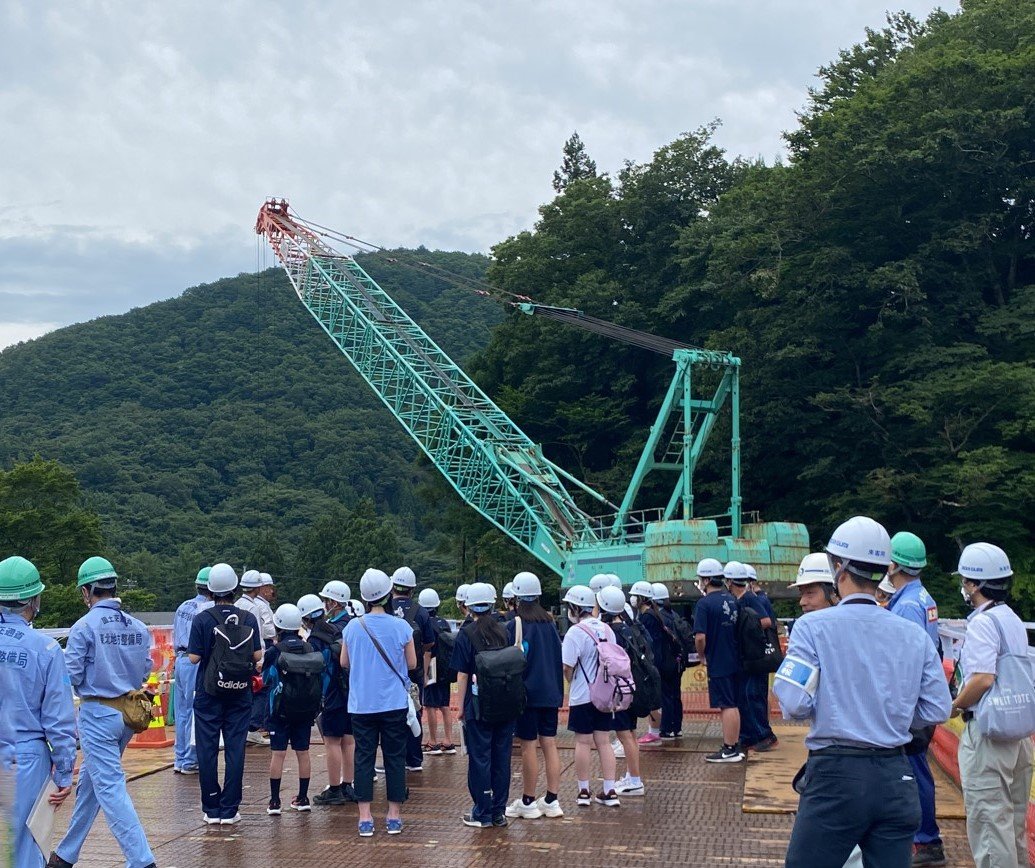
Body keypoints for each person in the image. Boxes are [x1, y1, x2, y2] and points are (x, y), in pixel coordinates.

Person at [774, 516, 952, 868]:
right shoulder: (912, 633)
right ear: (883, 570)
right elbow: (937, 709)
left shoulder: (811, 628)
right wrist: (893, 714)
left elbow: (793, 703)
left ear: (837, 568)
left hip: (835, 777)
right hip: (896, 775)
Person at [49, 557, 156, 868]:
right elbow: (145, 669)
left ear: (87, 592)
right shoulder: (137, 626)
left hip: (97, 715)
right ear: (113, 588)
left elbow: (70, 674)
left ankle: (141, 860)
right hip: (127, 715)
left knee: (109, 787)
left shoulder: (84, 627)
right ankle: (66, 854)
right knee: (93, 784)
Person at [950, 542, 1033, 868]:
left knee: (989, 826)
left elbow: (983, 678)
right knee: (1012, 824)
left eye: (966, 582)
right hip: (1017, 734)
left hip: (989, 735)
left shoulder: (983, 623)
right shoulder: (1010, 617)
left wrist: (956, 704)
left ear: (974, 585)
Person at [0, 557, 76, 868]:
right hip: (25, 759)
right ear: (33, 600)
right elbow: (59, 720)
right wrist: (64, 771)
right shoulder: (46, 649)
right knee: (26, 847)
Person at [883, 532, 945, 866]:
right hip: (922, 700)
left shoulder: (906, 606)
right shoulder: (922, 598)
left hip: (911, 706)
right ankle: (925, 838)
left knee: (914, 771)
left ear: (894, 564)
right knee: (918, 769)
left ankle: (926, 840)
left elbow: (904, 660)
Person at [341, 568, 416, 837]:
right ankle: (394, 816)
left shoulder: (352, 627)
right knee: (395, 758)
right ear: (388, 595)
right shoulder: (402, 626)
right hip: (393, 703)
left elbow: (344, 662)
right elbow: (412, 663)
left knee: (364, 757)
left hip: (362, 704)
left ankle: (365, 818)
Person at [188, 562, 262, 825]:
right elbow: (257, 655)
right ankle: (230, 809)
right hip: (240, 693)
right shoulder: (248, 618)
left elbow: (194, 658)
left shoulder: (202, 619)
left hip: (208, 693)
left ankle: (211, 808)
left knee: (207, 750)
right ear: (234, 589)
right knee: (235, 749)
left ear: (210, 591)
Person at [452, 582, 520, 827]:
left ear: (469, 607)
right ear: (492, 604)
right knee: (502, 757)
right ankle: (499, 811)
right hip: (506, 703)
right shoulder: (505, 630)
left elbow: (461, 674)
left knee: (480, 758)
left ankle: (482, 811)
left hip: (478, 705)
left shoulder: (466, 633)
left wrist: (460, 707)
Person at [504, 572, 566, 819]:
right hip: (551, 692)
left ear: (517, 597)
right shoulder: (550, 624)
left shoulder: (515, 624)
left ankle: (528, 801)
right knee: (549, 743)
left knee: (528, 746)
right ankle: (552, 799)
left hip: (527, 695)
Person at [562, 584, 621, 808]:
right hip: (605, 695)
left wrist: (571, 681)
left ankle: (584, 790)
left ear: (575, 608)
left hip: (582, 695)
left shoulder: (575, 632)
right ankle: (609, 790)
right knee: (604, 742)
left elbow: (567, 666)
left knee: (583, 742)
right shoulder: (608, 630)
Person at [264, 603, 321, 815]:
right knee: (303, 752)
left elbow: (266, 678)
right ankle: (303, 797)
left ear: (278, 626)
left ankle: (274, 801)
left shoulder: (274, 651)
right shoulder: (309, 648)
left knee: (278, 754)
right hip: (305, 709)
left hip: (279, 709)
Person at [309, 583, 357, 805]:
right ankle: (349, 785)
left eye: (327, 600)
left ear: (334, 603)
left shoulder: (324, 632)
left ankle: (334, 789)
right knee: (349, 740)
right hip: (354, 691)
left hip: (332, 692)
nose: (325, 604)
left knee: (332, 741)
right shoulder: (355, 624)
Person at [597, 585, 647, 798]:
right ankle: (632, 776)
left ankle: (635, 780)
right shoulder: (629, 627)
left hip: (620, 691)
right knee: (631, 735)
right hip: (633, 687)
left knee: (624, 735)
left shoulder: (610, 633)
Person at [692, 558, 743, 762]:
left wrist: (702, 655)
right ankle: (734, 744)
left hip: (718, 660)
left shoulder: (704, 604)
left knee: (726, 705)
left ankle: (729, 748)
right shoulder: (732, 599)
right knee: (733, 703)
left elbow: (700, 637)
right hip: (735, 657)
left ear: (705, 580)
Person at [725, 561, 778, 753]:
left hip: (755, 657)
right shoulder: (744, 599)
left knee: (752, 696)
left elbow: (766, 621)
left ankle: (764, 734)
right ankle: (748, 735)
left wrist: (745, 630)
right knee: (746, 697)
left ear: (729, 581)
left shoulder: (750, 598)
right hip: (748, 657)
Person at [390, 565, 435, 773]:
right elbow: (428, 646)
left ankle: (394, 758)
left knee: (390, 715)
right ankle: (415, 758)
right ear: (412, 590)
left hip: (389, 673)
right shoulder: (422, 612)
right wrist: (425, 674)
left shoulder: (386, 608)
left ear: (393, 587)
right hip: (414, 672)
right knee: (414, 712)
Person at [172, 566, 212, 774]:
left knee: (181, 712)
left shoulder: (183, 606)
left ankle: (179, 757)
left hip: (180, 660)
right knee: (195, 710)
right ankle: (189, 760)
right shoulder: (206, 610)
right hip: (196, 660)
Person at [237, 569, 275, 745]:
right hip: (253, 651)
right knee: (261, 688)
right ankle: (253, 727)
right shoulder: (254, 606)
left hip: (237, 652)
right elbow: (260, 632)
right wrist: (260, 658)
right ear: (259, 587)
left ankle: (243, 727)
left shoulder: (237, 604)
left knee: (244, 690)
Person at [418, 588, 457, 756]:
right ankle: (449, 741)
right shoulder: (444, 623)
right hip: (445, 669)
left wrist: (424, 672)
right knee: (445, 705)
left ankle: (433, 741)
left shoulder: (425, 623)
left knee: (430, 706)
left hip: (431, 668)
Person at [630, 581, 667, 746]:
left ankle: (654, 732)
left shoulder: (647, 617)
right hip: (658, 660)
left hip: (652, 662)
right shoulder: (653, 614)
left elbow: (647, 642)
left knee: (652, 699)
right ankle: (655, 731)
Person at [651, 582, 686, 740]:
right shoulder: (674, 614)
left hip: (665, 662)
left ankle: (666, 729)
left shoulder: (659, 617)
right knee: (675, 695)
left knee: (666, 696)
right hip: (677, 661)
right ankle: (677, 727)